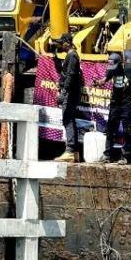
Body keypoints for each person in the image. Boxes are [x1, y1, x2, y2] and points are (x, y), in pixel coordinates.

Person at [53, 33, 83, 163]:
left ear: (67, 43)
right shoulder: (71, 56)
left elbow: (70, 76)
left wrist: (63, 93)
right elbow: (67, 73)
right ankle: (74, 152)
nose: (60, 46)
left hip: (70, 94)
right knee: (70, 120)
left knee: (67, 120)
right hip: (71, 93)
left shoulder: (72, 56)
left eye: (61, 43)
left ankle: (70, 151)